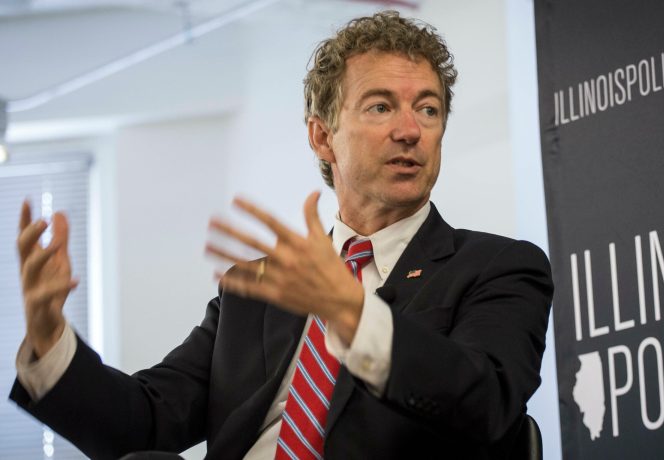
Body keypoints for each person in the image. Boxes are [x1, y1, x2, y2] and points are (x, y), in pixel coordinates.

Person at [10, 10, 553, 460]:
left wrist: (352, 315)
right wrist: (49, 337)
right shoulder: (257, 291)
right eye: (381, 106)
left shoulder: (499, 268)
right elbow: (144, 421)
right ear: (322, 136)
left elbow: (487, 403)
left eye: (428, 109)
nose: (410, 129)